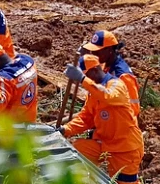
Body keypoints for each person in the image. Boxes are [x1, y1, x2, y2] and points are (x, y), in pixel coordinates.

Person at [60, 55, 144, 184]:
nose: (83, 83)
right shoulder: (93, 92)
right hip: (104, 143)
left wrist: (83, 80)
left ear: (94, 71)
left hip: (125, 148)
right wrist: (65, 129)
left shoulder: (117, 85)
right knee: (77, 152)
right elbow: (86, 118)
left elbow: (107, 96)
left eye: (85, 76)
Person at [81, 30, 140, 118]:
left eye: (97, 51)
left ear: (109, 50)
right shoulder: (105, 64)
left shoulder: (123, 75)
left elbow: (133, 109)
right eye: (92, 51)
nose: (93, 54)